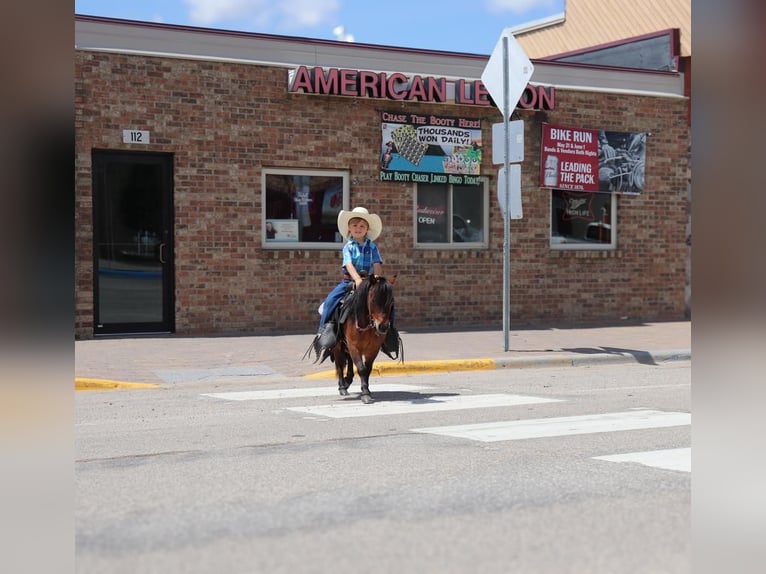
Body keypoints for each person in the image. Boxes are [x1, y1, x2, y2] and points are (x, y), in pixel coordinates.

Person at [314, 206, 400, 359]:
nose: (358, 228)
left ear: (367, 229)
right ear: (349, 228)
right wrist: (357, 279)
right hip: (350, 281)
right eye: (355, 225)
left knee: (387, 302)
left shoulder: (372, 247)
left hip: (369, 281)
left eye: (362, 226)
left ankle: (389, 332)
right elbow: (348, 265)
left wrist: (377, 279)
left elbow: (377, 264)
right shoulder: (348, 247)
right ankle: (323, 331)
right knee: (331, 300)